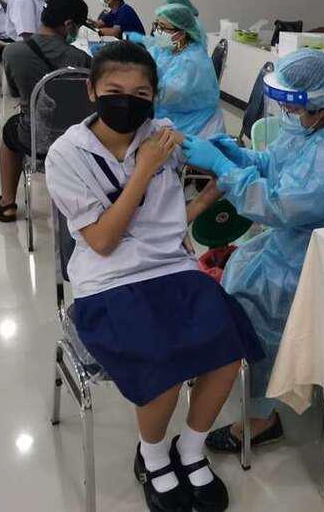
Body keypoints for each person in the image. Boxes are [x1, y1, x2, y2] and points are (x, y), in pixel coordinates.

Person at [45, 41, 262, 512]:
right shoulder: (68, 154)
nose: (127, 102)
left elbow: (185, 204)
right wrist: (143, 170)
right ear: (92, 91)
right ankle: (154, 455)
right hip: (109, 280)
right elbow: (103, 241)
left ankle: (191, 448)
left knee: (227, 348)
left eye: (141, 93)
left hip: (171, 267)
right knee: (163, 363)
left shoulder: (163, 135)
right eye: (114, 91)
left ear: (154, 96)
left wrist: (216, 180)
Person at [182, 49, 324, 451]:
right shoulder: (310, 125)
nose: (286, 114)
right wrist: (239, 156)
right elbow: (277, 163)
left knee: (258, 306)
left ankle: (261, 417)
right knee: (238, 274)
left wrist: (225, 170)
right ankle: (233, 364)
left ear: (318, 106)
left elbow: (279, 205)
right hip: (293, 239)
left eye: (292, 107)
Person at [0, 0, 91, 222]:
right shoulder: (81, 59)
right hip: (76, 140)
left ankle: (7, 204)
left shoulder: (12, 52)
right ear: (68, 25)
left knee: (9, 131)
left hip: (35, 139)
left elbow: (19, 95)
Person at [127, 3, 225, 138]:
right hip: (168, 114)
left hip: (194, 124)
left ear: (180, 34)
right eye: (156, 25)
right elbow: (146, 60)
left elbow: (165, 94)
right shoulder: (167, 48)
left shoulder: (192, 61)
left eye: (162, 27)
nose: (157, 31)